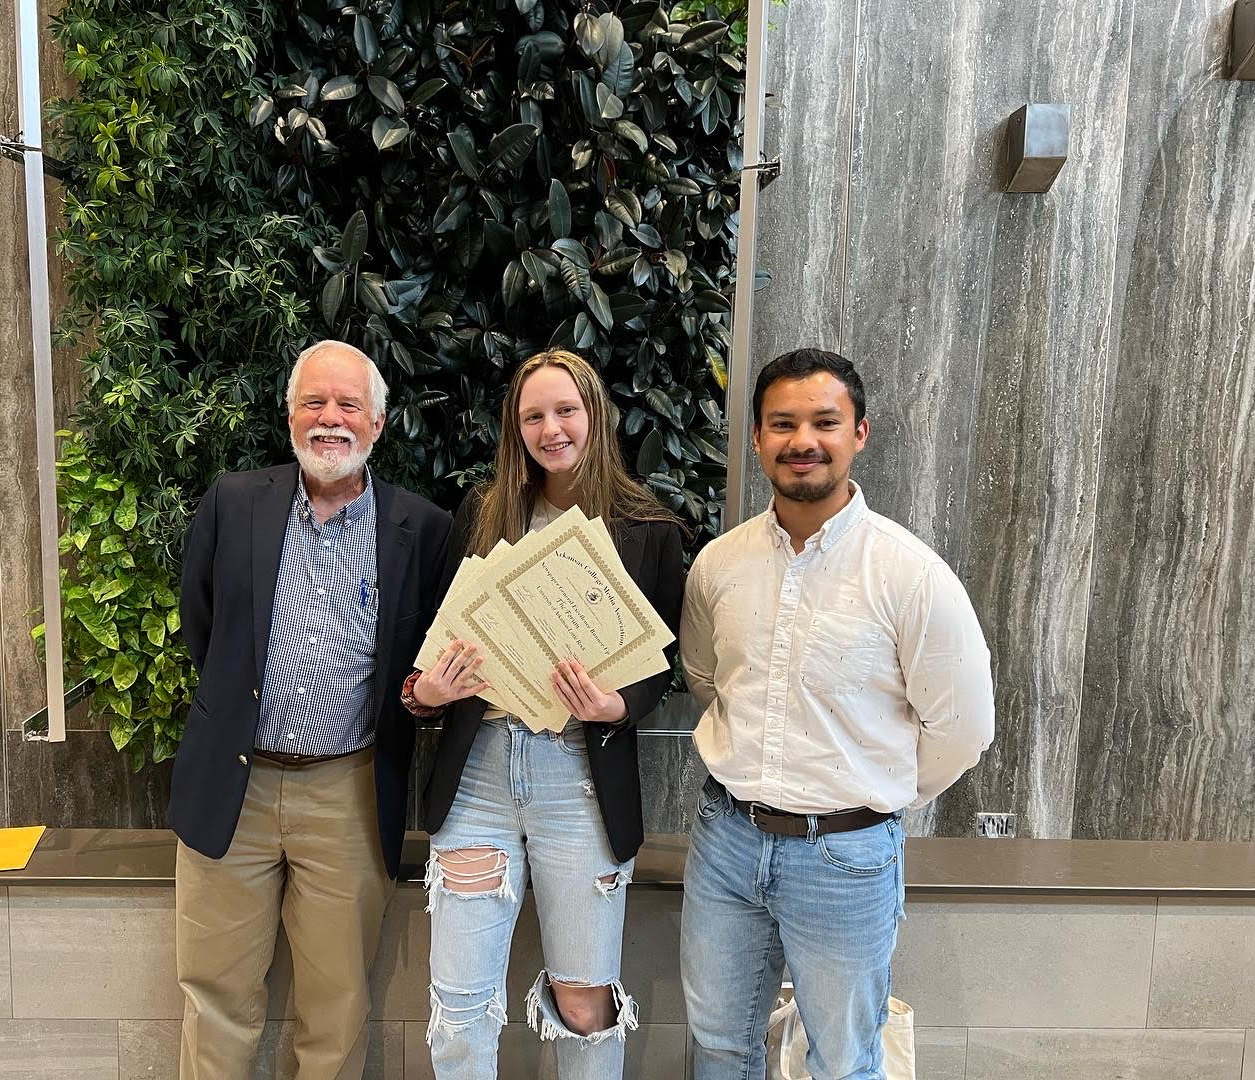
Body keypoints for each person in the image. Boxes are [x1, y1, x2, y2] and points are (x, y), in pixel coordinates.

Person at [679, 348, 995, 1080]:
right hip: (726, 842)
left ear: (860, 433)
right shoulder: (718, 566)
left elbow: (963, 728)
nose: (803, 440)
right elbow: (707, 678)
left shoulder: (909, 574)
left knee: (844, 1061)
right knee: (718, 1047)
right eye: (782, 423)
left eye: (825, 421)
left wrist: (871, 800)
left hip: (845, 860)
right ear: (757, 439)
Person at [171, 340, 452, 1080]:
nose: (330, 419)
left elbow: (425, 661)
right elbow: (203, 626)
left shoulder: (421, 529)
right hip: (235, 784)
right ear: (290, 415)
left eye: (348, 404)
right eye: (314, 402)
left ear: (379, 423)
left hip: (348, 793)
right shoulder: (234, 502)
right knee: (215, 993)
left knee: (336, 1004)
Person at [404, 348, 685, 1079]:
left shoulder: (647, 526)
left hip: (579, 777)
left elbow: (664, 664)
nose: (551, 428)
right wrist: (425, 693)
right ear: (514, 427)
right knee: (459, 1006)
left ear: (594, 414)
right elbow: (427, 648)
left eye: (566, 411)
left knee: (585, 1003)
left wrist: (617, 703)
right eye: (534, 415)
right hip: (479, 776)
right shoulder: (482, 512)